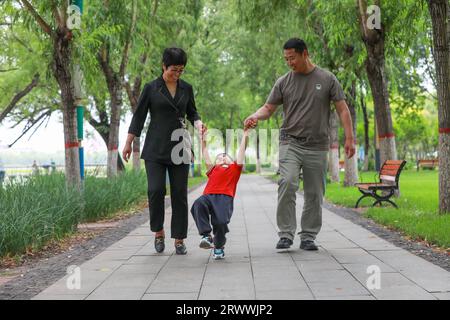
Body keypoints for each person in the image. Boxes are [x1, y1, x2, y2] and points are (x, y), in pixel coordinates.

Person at [244, 38, 355, 251]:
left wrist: (349, 138)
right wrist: (255, 116)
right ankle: (286, 234)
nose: (289, 62)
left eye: (292, 58)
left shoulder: (327, 78)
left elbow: (342, 109)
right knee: (287, 181)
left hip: (318, 145)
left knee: (315, 192)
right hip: (290, 142)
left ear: (305, 53)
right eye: (286, 59)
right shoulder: (283, 82)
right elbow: (268, 108)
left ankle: (308, 236)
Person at [122, 47, 206, 255]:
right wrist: (128, 143)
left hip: (180, 147)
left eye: (181, 70)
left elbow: (192, 112)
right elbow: (139, 117)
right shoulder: (152, 88)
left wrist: (198, 124)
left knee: (179, 194)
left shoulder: (186, 88)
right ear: (163, 66)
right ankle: (158, 232)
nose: (177, 74)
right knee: (156, 190)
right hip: (155, 148)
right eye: (173, 70)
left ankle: (179, 239)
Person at [190, 128, 249, 260]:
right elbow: (205, 152)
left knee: (221, 223)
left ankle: (218, 246)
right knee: (198, 203)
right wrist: (202, 139)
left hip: (225, 198)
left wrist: (246, 133)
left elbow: (241, 151)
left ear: (232, 161)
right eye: (219, 157)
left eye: (225, 156)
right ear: (215, 163)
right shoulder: (213, 169)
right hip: (208, 196)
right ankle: (206, 235)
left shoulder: (235, 168)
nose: (222, 157)